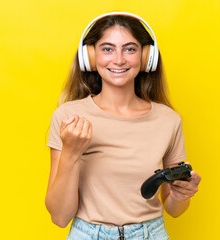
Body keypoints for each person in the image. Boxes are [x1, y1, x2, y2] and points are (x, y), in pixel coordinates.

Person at [45, 12, 201, 240]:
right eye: (107, 49)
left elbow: (174, 210)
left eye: (130, 49)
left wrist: (182, 194)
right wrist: (71, 151)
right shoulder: (68, 117)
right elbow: (59, 217)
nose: (119, 59)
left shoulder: (169, 120)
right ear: (90, 56)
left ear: (147, 57)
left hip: (151, 234)